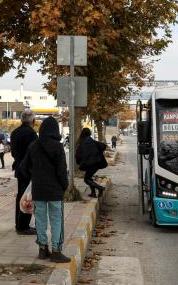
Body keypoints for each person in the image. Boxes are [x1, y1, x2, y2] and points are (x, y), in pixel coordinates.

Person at [18, 117, 70, 263]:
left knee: (40, 220)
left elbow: (23, 168)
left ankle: (42, 249)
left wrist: (34, 176)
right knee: (56, 220)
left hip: (38, 190)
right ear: (55, 130)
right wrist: (65, 186)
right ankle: (56, 251)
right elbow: (61, 171)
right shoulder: (58, 147)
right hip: (55, 191)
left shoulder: (33, 146)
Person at [10, 109, 38, 235]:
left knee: (20, 197)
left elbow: (13, 153)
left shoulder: (14, 132)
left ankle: (19, 224)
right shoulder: (32, 134)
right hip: (28, 170)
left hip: (19, 168)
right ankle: (23, 226)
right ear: (33, 121)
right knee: (27, 197)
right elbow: (34, 154)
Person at [75, 127, 107, 198]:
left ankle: (100, 188)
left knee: (86, 179)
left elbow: (78, 155)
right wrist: (97, 153)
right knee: (89, 178)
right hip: (96, 163)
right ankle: (93, 193)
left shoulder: (82, 143)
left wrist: (79, 162)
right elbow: (103, 146)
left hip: (89, 165)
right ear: (89, 133)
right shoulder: (92, 141)